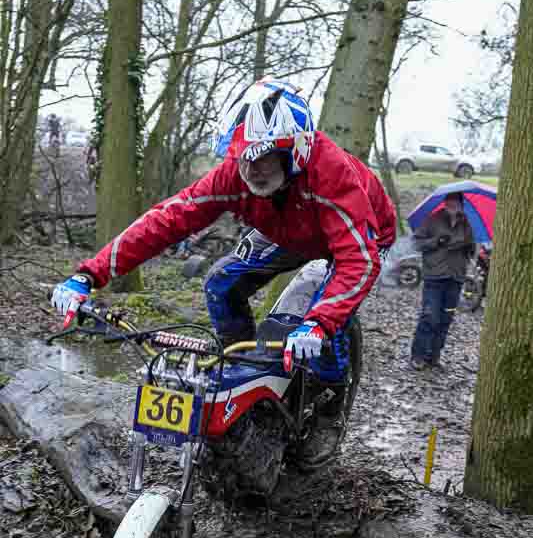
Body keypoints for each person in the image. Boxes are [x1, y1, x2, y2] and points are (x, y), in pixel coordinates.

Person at [51, 77, 397, 464]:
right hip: (287, 228)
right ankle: (242, 370)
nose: (251, 169)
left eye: (263, 157)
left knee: (328, 321)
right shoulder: (235, 176)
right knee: (220, 282)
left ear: (294, 151)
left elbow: (358, 260)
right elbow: (166, 220)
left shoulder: (331, 175)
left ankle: (331, 404)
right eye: (243, 157)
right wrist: (89, 274)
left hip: (356, 238)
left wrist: (319, 322)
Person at [410, 192, 475, 371]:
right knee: (430, 316)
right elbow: (416, 243)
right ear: (445, 202)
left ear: (461, 204)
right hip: (434, 277)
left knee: (446, 318)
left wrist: (469, 247)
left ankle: (434, 357)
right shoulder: (433, 220)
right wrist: (436, 242)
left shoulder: (466, 223)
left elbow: (472, 251)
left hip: (456, 278)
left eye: (456, 201)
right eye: (449, 200)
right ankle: (418, 356)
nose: (452, 204)